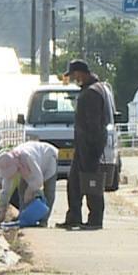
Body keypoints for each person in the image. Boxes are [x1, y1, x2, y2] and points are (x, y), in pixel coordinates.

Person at [58, 59, 111, 230]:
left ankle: (95, 219)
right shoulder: (97, 88)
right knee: (74, 182)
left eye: (74, 75)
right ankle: (73, 217)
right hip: (84, 144)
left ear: (81, 73)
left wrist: (92, 148)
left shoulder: (91, 93)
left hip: (89, 145)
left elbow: (93, 124)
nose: (74, 78)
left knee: (91, 181)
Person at [0, 140, 59, 226]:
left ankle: (43, 221)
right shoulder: (9, 162)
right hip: (33, 167)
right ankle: (24, 217)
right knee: (22, 189)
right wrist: (2, 207)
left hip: (48, 158)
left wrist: (29, 191)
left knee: (49, 192)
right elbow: (6, 189)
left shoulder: (27, 157)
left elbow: (38, 179)